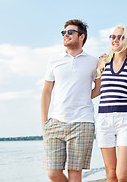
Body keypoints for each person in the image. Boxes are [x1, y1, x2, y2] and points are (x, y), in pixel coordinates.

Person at [41, 19, 98, 182]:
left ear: (82, 36)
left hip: (83, 121)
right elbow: (46, 92)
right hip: (56, 122)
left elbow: (99, 88)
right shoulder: (54, 60)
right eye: (64, 33)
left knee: (75, 174)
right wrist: (44, 122)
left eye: (70, 32)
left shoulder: (93, 61)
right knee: (52, 173)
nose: (65, 35)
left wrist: (83, 96)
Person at [91, 25, 127, 182]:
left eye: (120, 37)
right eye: (112, 36)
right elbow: (96, 90)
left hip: (125, 120)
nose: (115, 40)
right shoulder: (102, 61)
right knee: (111, 174)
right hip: (103, 120)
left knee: (122, 174)